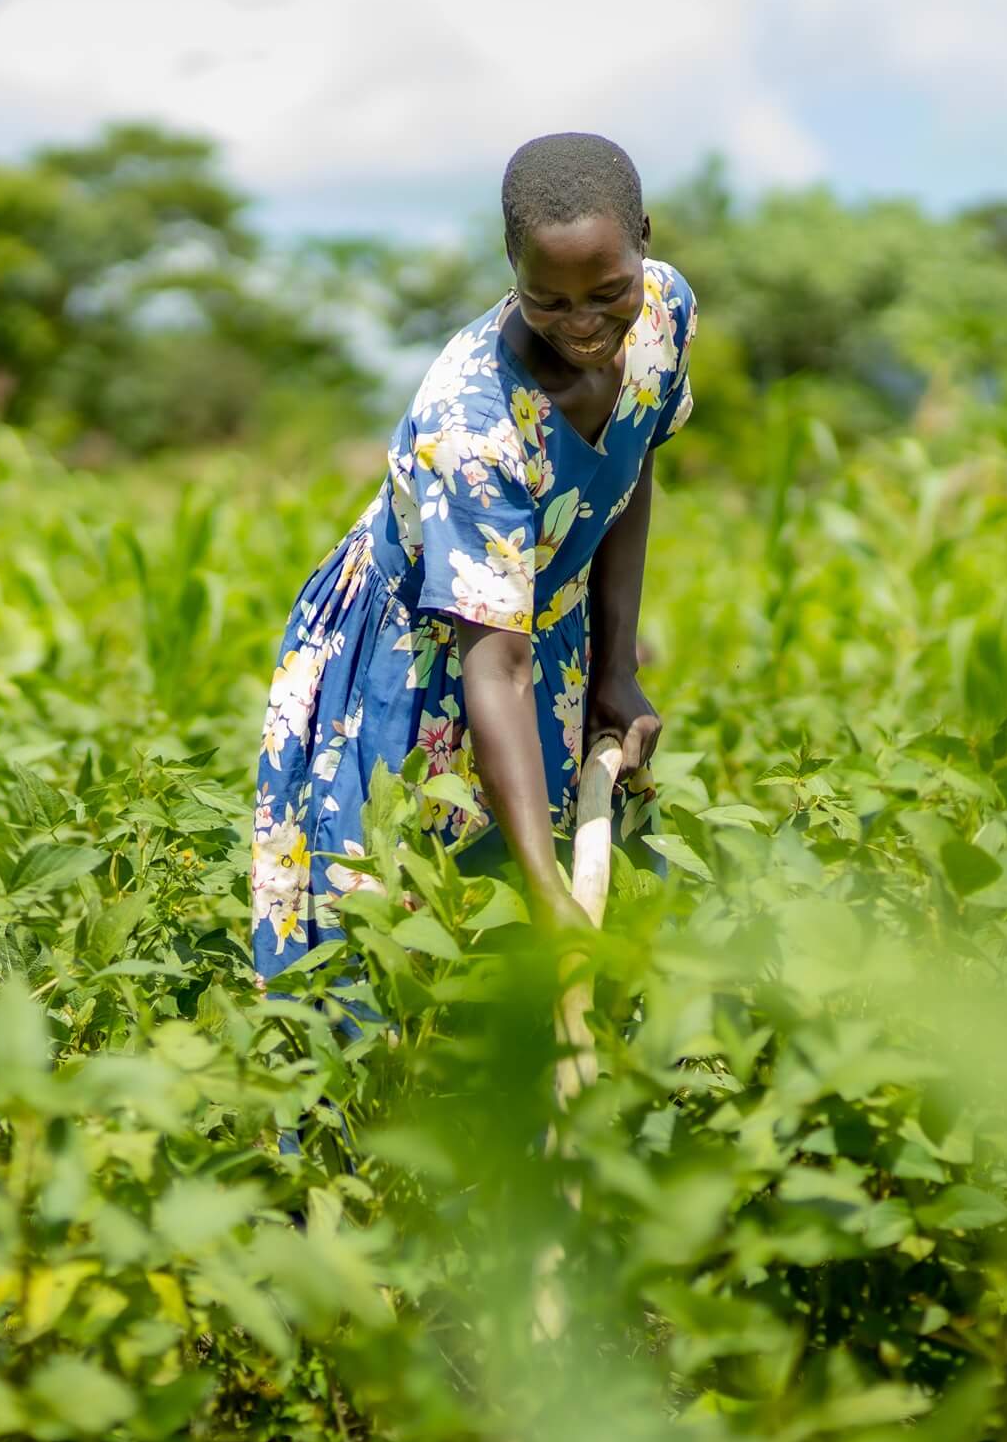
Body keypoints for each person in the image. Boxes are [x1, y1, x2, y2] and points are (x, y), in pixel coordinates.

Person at [249, 131, 696, 989]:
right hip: (417, 657)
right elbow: (495, 669)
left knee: (573, 939)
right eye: (547, 300)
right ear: (510, 266)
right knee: (402, 937)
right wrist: (545, 892)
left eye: (608, 292)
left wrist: (616, 667)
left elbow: (630, 467)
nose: (583, 325)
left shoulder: (665, 313)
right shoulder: (476, 424)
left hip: (544, 627)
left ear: (645, 235)